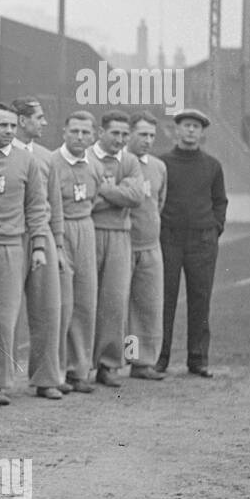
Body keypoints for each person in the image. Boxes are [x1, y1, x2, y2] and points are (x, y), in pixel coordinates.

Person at [0, 102, 50, 405]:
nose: (9, 131)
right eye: (3, 125)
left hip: (10, 246)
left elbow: (36, 206)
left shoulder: (25, 161)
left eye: (13, 126)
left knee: (3, 317)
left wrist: (39, 245)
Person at [156, 108, 227, 377]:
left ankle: (197, 359)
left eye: (196, 127)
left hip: (202, 241)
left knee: (201, 299)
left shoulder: (212, 166)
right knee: (165, 299)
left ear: (202, 132)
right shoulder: (163, 163)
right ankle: (159, 358)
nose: (190, 130)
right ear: (177, 130)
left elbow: (220, 202)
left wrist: (214, 228)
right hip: (169, 239)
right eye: (186, 125)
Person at [11, 97, 68, 400]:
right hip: (8, 235)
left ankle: (46, 378)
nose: (45, 123)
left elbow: (54, 205)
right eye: (39, 117)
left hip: (41, 235)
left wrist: (56, 244)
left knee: (48, 309)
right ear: (22, 120)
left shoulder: (47, 158)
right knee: (3, 313)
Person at [87, 111, 143, 387]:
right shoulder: (86, 157)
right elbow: (85, 200)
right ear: (101, 132)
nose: (120, 139)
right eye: (114, 133)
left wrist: (106, 191)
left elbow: (135, 197)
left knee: (115, 300)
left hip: (120, 236)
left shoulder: (130, 161)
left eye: (124, 134)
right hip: (89, 232)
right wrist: (115, 194)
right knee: (83, 299)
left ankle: (107, 364)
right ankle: (78, 364)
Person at [53, 111, 101, 393]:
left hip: (86, 229)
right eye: (75, 132)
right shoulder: (52, 163)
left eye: (85, 132)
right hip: (60, 230)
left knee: (85, 303)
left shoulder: (93, 165)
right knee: (61, 305)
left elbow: (94, 198)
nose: (80, 137)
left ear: (92, 135)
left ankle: (79, 370)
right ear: (64, 132)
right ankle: (56, 371)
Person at [126, 113, 168, 380]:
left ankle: (142, 362)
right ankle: (106, 362)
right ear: (130, 134)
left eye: (152, 135)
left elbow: (158, 203)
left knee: (148, 306)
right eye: (142, 134)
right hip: (123, 244)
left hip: (150, 246)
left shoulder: (158, 167)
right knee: (116, 306)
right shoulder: (120, 163)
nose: (148, 140)